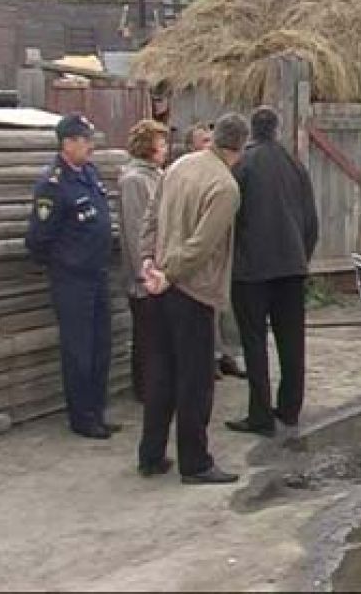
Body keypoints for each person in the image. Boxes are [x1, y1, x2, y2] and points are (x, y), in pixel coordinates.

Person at [137, 112, 249, 484]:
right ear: (241, 147)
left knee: (160, 375)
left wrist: (148, 260)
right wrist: (168, 273)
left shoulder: (180, 165)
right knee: (195, 382)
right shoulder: (226, 187)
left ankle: (151, 455)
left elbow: (151, 216)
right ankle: (195, 463)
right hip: (192, 290)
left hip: (159, 285)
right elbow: (203, 245)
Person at [226, 106, 318, 438]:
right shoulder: (295, 166)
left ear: (252, 131)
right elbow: (311, 222)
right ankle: (290, 409)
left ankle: (260, 415)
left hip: (252, 271)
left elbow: (230, 218)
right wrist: (301, 258)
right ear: (277, 129)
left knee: (254, 344)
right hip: (291, 268)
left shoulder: (243, 166)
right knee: (292, 342)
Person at [25, 113, 116, 439]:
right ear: (68, 143)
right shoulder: (52, 185)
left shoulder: (88, 173)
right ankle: (82, 417)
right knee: (79, 349)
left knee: (101, 345)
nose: (90, 146)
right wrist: (66, 263)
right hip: (73, 280)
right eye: (84, 140)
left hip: (98, 274)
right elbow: (38, 239)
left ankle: (97, 409)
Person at [181, 121, 247, 381]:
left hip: (213, 266)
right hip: (192, 271)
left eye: (209, 139)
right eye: (202, 140)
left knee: (223, 319)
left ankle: (224, 356)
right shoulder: (198, 178)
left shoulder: (225, 177)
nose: (207, 144)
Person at [118, 119, 169, 404]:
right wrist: (144, 271)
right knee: (146, 335)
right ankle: (145, 389)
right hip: (145, 275)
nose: (165, 150)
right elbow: (137, 228)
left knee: (157, 334)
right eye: (161, 144)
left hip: (159, 270)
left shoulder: (157, 175)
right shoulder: (135, 180)